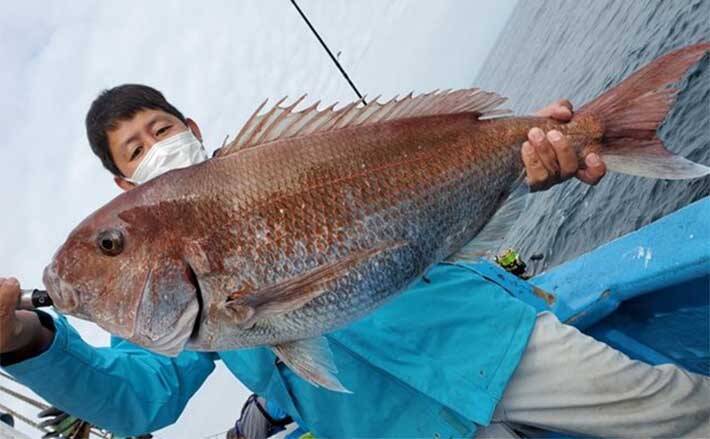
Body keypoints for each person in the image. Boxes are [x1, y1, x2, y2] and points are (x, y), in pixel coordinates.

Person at [0, 84, 707, 438]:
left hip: (482, 341)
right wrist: (28, 342)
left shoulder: (275, 166)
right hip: (391, 428)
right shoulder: (177, 316)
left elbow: (423, 182)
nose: (157, 145)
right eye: (136, 150)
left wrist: (530, 157)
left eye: (162, 129)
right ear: (129, 187)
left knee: (674, 411)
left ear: (192, 129)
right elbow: (137, 398)